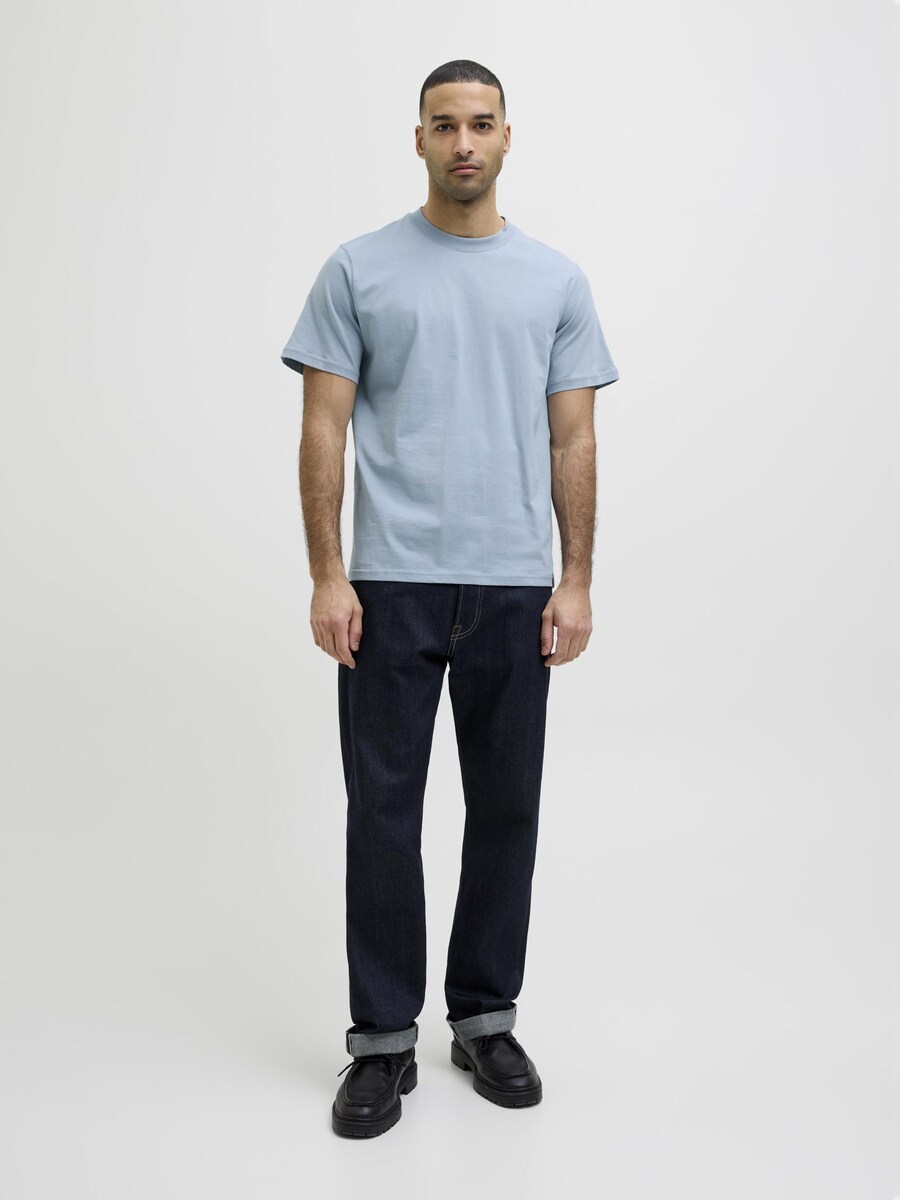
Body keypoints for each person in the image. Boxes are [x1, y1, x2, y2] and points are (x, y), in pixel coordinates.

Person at [279, 58, 619, 1138]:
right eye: (443, 124)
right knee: (382, 814)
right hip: (390, 584)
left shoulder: (555, 280)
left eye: (480, 123)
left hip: (515, 587)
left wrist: (576, 579)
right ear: (418, 138)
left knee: (505, 809)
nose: (463, 142)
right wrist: (328, 573)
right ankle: (383, 1041)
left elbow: (573, 438)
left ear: (508, 136)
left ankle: (484, 1019)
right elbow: (323, 424)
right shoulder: (359, 269)